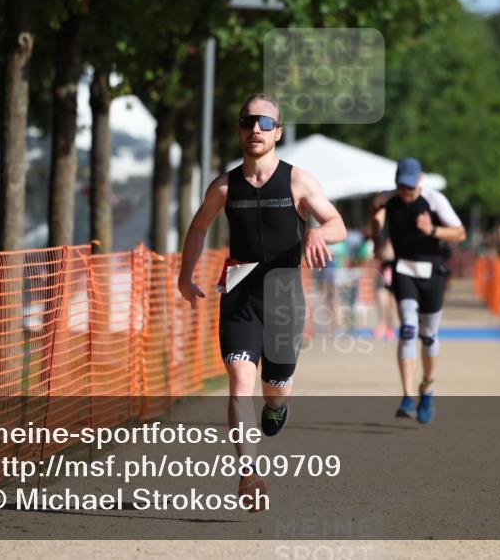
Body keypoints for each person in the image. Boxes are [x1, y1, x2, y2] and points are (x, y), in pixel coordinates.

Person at [178, 93, 346, 505]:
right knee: (240, 381)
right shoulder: (224, 186)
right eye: (248, 121)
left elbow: (337, 223)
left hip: (284, 297)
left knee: (275, 392)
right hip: (240, 293)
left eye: (265, 123)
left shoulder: (298, 181)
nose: (256, 129)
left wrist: (318, 232)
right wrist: (185, 276)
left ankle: (278, 406)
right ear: (239, 130)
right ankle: (249, 475)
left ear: (278, 133)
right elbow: (198, 228)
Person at [371, 158, 466, 424]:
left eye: (411, 187)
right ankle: (407, 396)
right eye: (402, 187)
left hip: (432, 273)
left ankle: (427, 386)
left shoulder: (434, 200)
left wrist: (432, 229)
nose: (406, 192)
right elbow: (375, 208)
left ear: (420, 181)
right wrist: (377, 237)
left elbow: (460, 233)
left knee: (429, 336)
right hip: (404, 270)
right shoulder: (388, 198)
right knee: (408, 330)